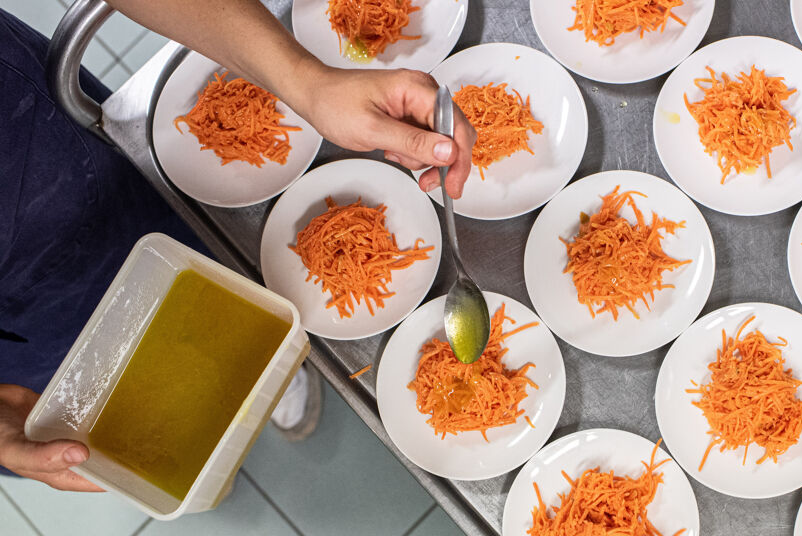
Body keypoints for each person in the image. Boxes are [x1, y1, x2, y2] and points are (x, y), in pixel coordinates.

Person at [0, 0, 476, 491]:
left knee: (211, 269)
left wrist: (308, 83)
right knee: (124, 403)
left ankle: (269, 370)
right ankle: (213, 432)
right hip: (20, 347)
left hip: (46, 156)